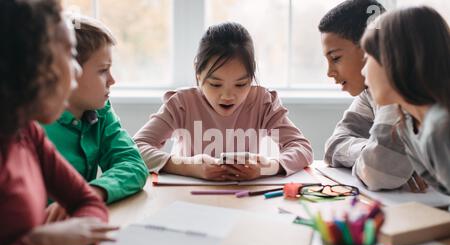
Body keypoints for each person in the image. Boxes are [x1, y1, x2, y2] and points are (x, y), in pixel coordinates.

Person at [0, 0, 116, 245]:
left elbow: (87, 201)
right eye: (69, 54)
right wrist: (39, 244)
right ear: (29, 62)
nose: (76, 72)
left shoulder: (27, 132)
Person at [134, 22, 313, 181]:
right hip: (187, 199)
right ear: (198, 72)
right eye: (215, 84)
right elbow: (136, 148)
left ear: (252, 77)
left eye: (241, 84)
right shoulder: (181, 103)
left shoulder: (263, 102)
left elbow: (301, 148)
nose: (228, 96)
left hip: (247, 198)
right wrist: (187, 166)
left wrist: (268, 167)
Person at [43, 15, 148, 222]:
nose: (112, 79)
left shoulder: (100, 111)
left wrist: (94, 192)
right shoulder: (32, 124)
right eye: (102, 70)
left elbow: (133, 163)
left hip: (79, 223)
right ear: (68, 72)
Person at [319, 0, 424, 192]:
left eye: (336, 58)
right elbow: (333, 145)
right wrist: (370, 151)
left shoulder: (400, 91)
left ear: (373, 48)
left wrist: (382, 159)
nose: (329, 72)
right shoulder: (369, 93)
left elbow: (378, 172)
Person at [361, 6, 450, 195]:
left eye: (367, 58)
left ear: (396, 60)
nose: (363, 72)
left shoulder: (441, 126)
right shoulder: (406, 126)